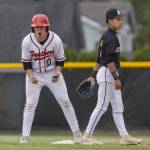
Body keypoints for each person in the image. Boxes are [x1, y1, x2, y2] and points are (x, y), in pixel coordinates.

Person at [82, 8, 143, 145]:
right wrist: (116, 78)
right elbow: (108, 61)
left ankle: (124, 136)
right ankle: (86, 135)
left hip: (106, 73)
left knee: (118, 108)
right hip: (108, 74)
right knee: (102, 106)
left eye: (121, 19)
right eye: (117, 19)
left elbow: (98, 59)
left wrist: (92, 76)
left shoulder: (106, 36)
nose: (120, 21)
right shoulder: (111, 37)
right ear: (109, 21)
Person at [20, 13, 82, 144]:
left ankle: (77, 133)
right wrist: (31, 76)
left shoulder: (55, 40)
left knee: (65, 101)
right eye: (36, 27)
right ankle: (24, 137)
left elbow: (60, 61)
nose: (39, 29)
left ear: (47, 27)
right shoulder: (27, 41)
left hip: (52, 72)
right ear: (33, 28)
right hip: (35, 73)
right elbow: (26, 63)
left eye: (42, 27)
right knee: (30, 104)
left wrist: (57, 72)